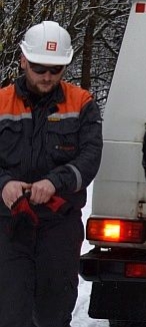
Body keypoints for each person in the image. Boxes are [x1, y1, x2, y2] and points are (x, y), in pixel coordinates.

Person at [0, 21, 103, 327]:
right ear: (23, 61)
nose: (46, 76)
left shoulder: (82, 103)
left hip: (59, 224)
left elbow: (90, 157)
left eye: (55, 70)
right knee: (10, 309)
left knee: (53, 310)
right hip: (9, 224)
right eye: (38, 68)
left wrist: (55, 182)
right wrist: (4, 184)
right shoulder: (2, 102)